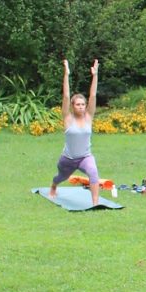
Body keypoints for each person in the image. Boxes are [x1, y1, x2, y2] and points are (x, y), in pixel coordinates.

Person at [49, 59, 101, 205]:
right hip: (68, 159)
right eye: (78, 104)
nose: (81, 107)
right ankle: (53, 186)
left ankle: (95, 203)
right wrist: (66, 74)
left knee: (93, 172)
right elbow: (66, 96)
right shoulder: (67, 118)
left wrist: (95, 75)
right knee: (61, 177)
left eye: (83, 104)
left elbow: (93, 96)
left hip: (85, 157)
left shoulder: (89, 116)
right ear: (72, 106)